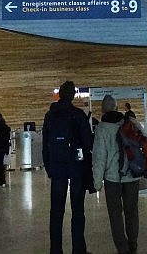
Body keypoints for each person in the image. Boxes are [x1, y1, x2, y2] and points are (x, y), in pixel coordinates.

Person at [42, 81, 94, 254]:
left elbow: (45, 144)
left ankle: (55, 249)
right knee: (77, 210)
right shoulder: (78, 115)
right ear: (72, 95)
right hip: (76, 168)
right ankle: (78, 249)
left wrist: (49, 167)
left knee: (56, 212)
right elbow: (87, 142)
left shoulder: (50, 115)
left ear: (60, 94)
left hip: (57, 168)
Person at [92, 95, 140, 254]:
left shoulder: (102, 129)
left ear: (102, 110)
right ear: (117, 108)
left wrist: (97, 182)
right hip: (132, 175)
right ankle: (133, 245)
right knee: (132, 212)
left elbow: (99, 157)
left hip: (113, 179)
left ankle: (122, 248)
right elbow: (144, 140)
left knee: (115, 215)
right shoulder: (130, 122)